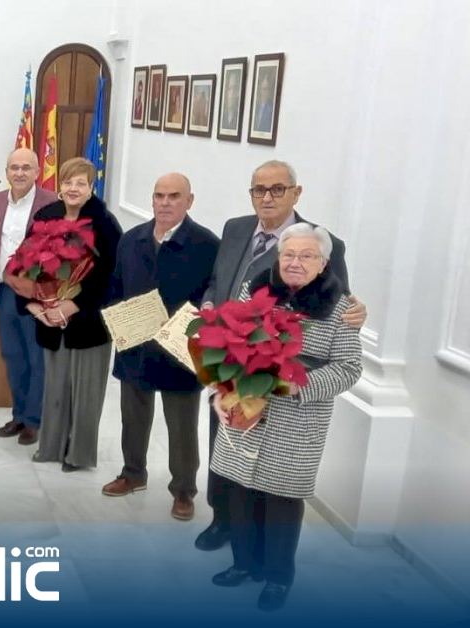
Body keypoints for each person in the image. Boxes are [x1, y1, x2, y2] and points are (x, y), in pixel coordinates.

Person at [195, 159, 367, 551]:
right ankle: (222, 520)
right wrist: (209, 307)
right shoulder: (235, 228)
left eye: (277, 189)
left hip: (281, 380)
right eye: (259, 189)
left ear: (296, 193)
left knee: (272, 480)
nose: (267, 197)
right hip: (232, 363)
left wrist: (358, 312)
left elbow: (339, 301)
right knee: (224, 444)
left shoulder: (322, 242)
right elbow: (219, 282)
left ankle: (265, 553)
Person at [209, 223, 363, 612]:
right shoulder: (256, 290)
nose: (295, 262)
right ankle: (243, 564)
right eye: (289, 254)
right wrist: (219, 391)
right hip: (245, 408)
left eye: (307, 256)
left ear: (324, 263)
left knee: (282, 500)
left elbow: (349, 368)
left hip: (296, 419)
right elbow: (227, 341)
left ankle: (278, 577)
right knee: (239, 492)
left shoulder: (340, 307)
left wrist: (298, 385)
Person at [100, 173, 219, 521]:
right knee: (133, 417)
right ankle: (133, 473)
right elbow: (116, 286)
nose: (165, 203)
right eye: (159, 196)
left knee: (181, 426)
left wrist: (192, 328)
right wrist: (117, 320)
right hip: (135, 345)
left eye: (174, 196)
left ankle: (183, 489)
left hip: (179, 350)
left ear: (189, 201)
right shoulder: (132, 239)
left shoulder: (207, 244)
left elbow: (212, 295)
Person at [22, 158, 123, 471]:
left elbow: (110, 277)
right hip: (51, 318)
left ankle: (78, 455)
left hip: (90, 323)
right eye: (68, 182)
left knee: (85, 392)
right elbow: (24, 262)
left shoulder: (104, 223)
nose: (73, 188)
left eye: (81, 183)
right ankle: (51, 447)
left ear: (92, 187)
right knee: (55, 387)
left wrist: (74, 304)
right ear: (59, 185)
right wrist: (35, 304)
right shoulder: (45, 216)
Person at [0, 148, 57, 445]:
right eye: (14, 167)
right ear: (6, 172)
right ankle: (18, 415)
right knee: (13, 355)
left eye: (25, 168)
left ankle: (33, 420)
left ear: (37, 172)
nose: (19, 173)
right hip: (5, 290)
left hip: (35, 293)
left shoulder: (51, 203)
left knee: (35, 357)